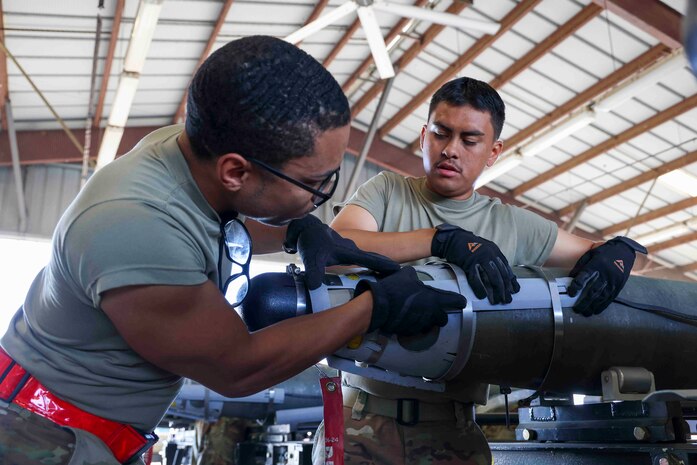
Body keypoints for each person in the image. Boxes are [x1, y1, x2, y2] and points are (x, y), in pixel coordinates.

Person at [0, 36, 467, 465]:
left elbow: (218, 225)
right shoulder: (134, 224)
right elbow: (237, 367)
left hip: (89, 430)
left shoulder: (187, 152)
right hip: (41, 438)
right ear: (235, 172)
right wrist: (371, 309)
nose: (318, 197)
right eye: (309, 184)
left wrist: (295, 231)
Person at [313, 77, 647, 465]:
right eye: (441, 133)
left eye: (469, 140)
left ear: (492, 151)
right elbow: (335, 251)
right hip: (362, 426)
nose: (450, 150)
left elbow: (625, 260)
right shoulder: (387, 191)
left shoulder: (512, 225)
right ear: (424, 136)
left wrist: (621, 253)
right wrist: (440, 240)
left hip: (452, 433)